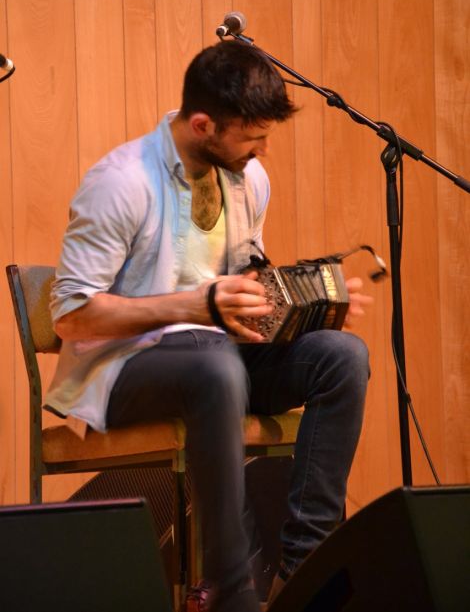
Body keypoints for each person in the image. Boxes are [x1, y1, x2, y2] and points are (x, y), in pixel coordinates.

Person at [46, 40, 371, 612]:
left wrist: (306, 299)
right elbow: (71, 316)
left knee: (340, 356)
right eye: (252, 138)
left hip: (220, 354)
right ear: (203, 125)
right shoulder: (121, 182)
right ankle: (233, 591)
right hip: (126, 366)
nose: (263, 150)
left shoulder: (249, 178)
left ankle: (303, 574)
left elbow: (243, 276)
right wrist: (193, 307)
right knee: (212, 363)